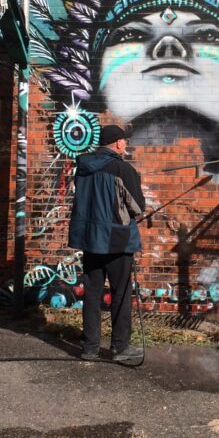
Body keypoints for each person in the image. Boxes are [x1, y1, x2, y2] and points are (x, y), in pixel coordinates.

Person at [67, 124, 148, 364]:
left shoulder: (82, 167)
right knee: (120, 294)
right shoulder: (123, 169)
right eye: (125, 141)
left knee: (92, 294)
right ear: (118, 143)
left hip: (90, 240)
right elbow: (137, 207)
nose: (126, 145)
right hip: (117, 241)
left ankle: (90, 347)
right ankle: (120, 347)